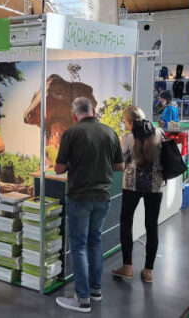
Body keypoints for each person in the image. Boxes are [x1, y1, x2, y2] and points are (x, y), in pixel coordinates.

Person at [54, 97, 124, 313]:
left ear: (75, 115)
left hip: (79, 197)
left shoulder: (72, 133)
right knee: (95, 242)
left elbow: (58, 169)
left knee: (78, 246)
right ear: (93, 110)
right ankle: (95, 290)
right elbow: (119, 165)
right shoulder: (110, 132)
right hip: (103, 196)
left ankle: (82, 299)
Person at [111, 106, 164, 284]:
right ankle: (148, 271)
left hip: (131, 186)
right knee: (151, 226)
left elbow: (120, 163)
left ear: (129, 122)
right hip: (155, 187)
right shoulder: (159, 132)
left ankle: (127, 268)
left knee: (126, 223)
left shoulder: (127, 138)